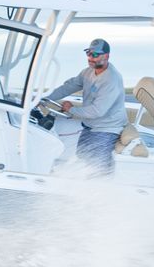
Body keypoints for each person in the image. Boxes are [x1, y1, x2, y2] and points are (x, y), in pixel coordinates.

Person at [45, 38, 126, 173]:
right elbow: (68, 87)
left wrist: (71, 109)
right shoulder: (87, 72)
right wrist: (44, 97)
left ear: (106, 56)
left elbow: (97, 111)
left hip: (106, 129)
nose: (91, 58)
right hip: (91, 126)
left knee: (97, 169)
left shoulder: (111, 79)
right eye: (88, 53)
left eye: (95, 55)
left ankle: (101, 191)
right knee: (83, 160)